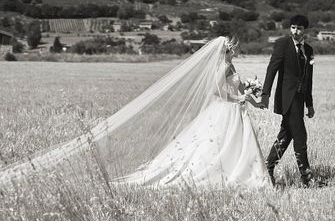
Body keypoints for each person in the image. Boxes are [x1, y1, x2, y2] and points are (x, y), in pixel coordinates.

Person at [112, 36, 269, 187]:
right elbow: (216, 91)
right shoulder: (224, 66)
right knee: (220, 143)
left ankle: (242, 172)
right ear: (230, 49)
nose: (238, 49)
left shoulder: (231, 65)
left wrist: (253, 102)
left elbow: (239, 85)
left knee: (238, 142)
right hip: (227, 109)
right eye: (236, 47)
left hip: (236, 108)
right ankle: (228, 173)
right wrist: (239, 98)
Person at [260, 14, 315, 187]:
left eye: (299, 28)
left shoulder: (309, 50)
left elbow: (308, 79)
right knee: (300, 136)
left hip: (299, 100)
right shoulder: (282, 44)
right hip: (287, 98)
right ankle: (306, 177)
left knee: (286, 135)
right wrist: (265, 95)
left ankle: (266, 168)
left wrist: (310, 103)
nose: (295, 31)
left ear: (305, 30)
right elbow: (272, 69)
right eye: (293, 27)